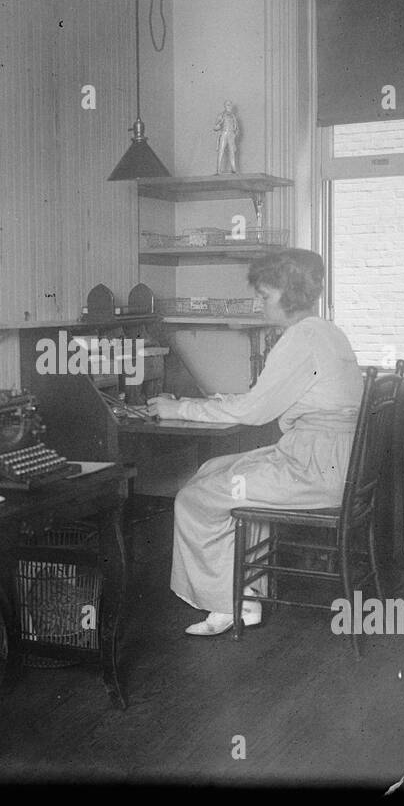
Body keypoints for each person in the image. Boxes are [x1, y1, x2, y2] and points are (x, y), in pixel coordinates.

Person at [148, 249, 363, 636]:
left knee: (195, 498)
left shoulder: (301, 340)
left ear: (290, 293)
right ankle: (244, 594)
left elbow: (252, 411)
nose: (260, 303)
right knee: (213, 470)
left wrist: (180, 409)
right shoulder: (327, 331)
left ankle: (228, 606)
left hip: (312, 469)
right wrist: (199, 405)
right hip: (330, 462)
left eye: (265, 296)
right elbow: (262, 402)